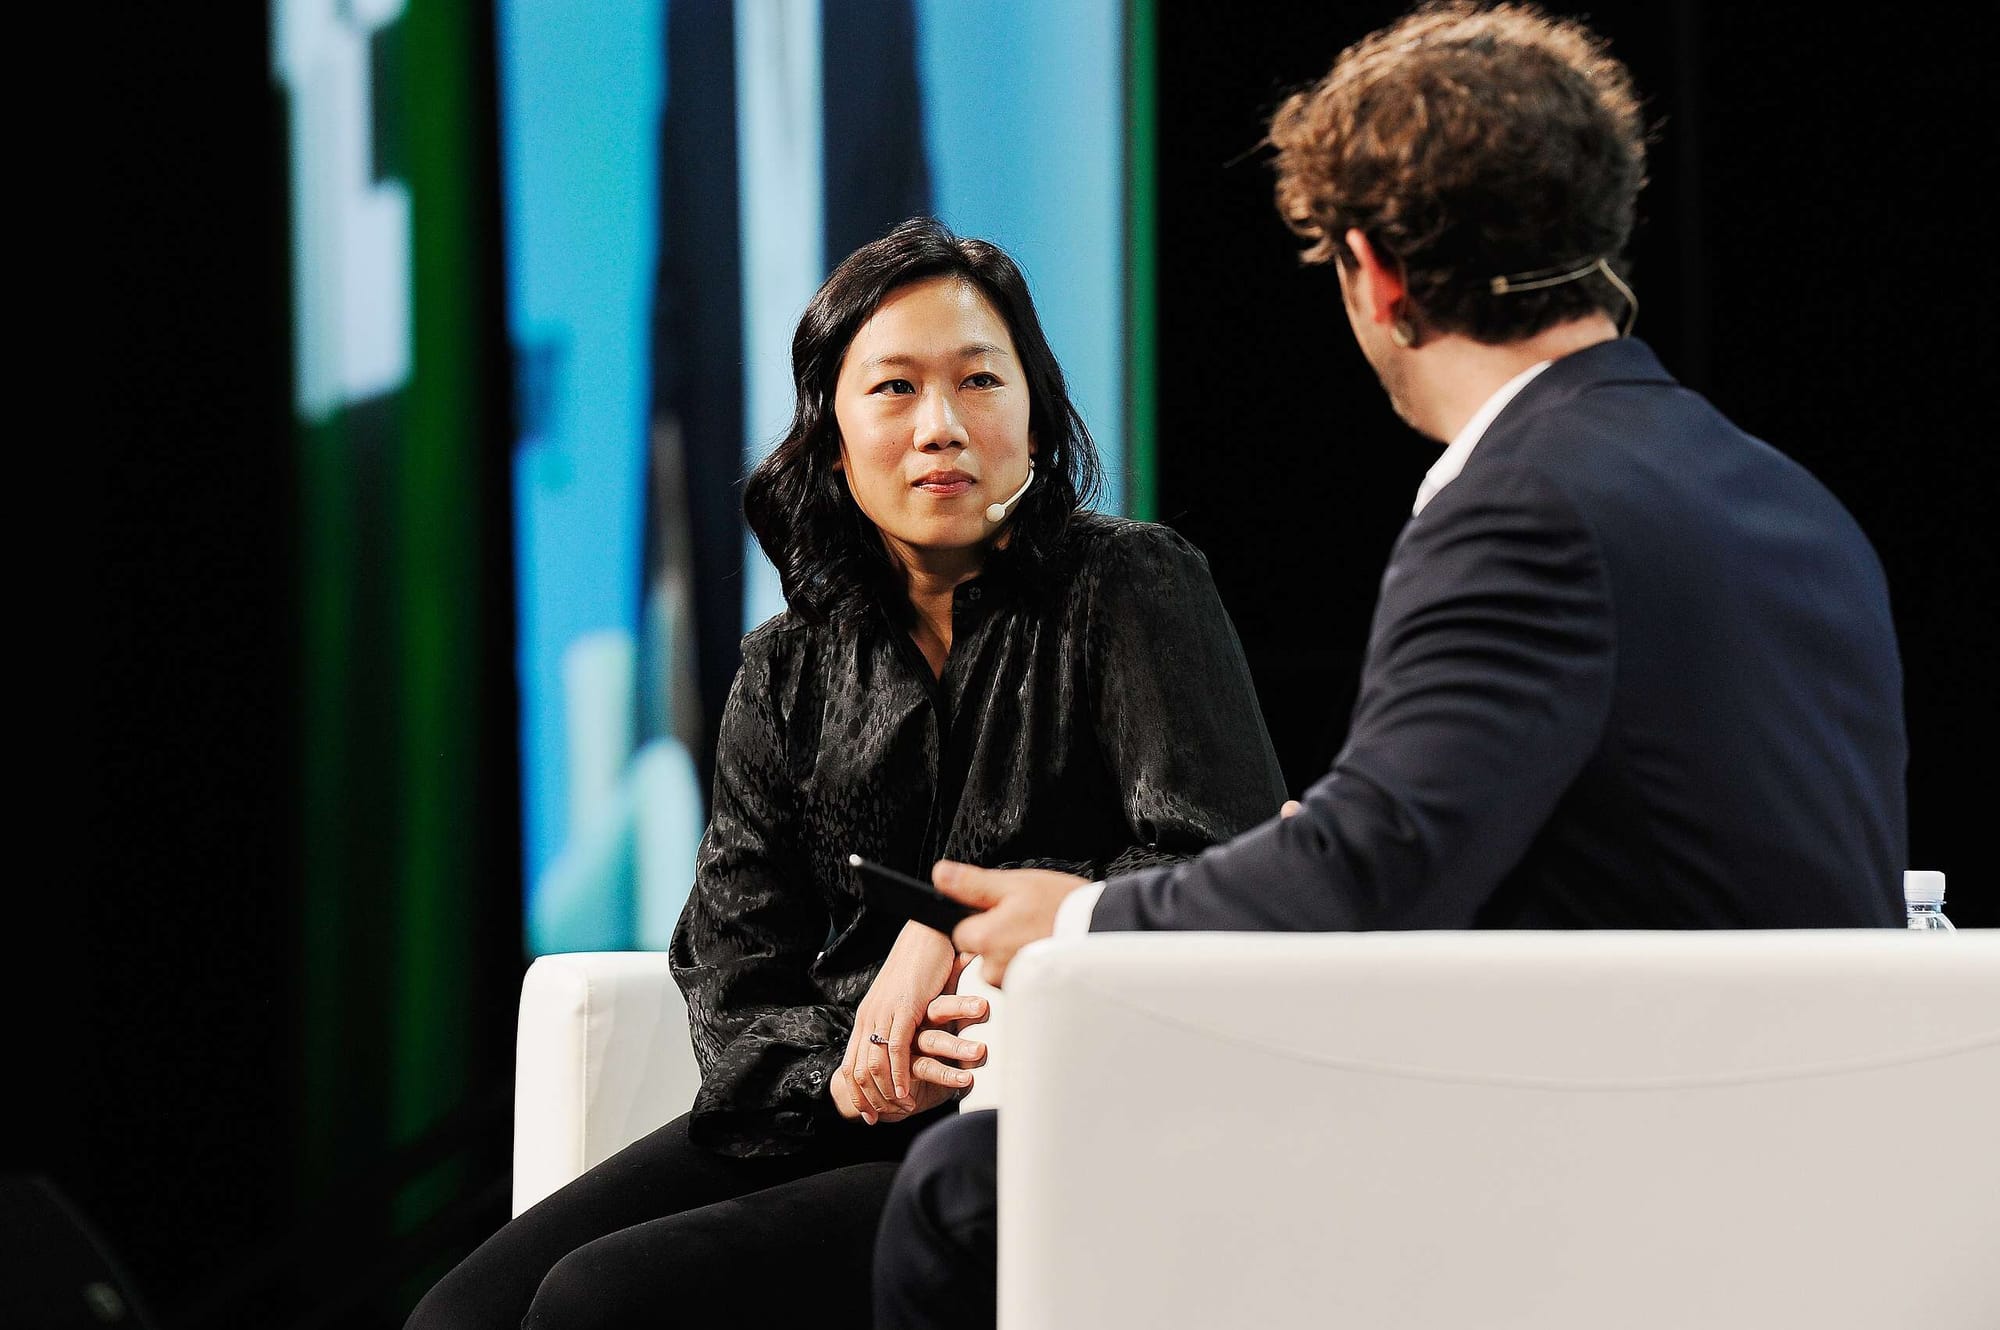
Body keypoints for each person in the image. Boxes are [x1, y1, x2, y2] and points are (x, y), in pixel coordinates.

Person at [871, 5, 1908, 1327]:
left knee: (968, 1195)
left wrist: (1070, 925)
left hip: (1614, 1162)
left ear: (1372, 273)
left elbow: (1371, 871)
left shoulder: (1524, 500)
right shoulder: (1783, 496)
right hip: (1810, 1159)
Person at [405, 217, 1285, 1329]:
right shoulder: (785, 668)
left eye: (978, 380)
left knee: (601, 1300)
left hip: (1035, 1113)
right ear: (829, 439)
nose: (941, 426)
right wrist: (850, 1067)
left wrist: (954, 933)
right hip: (823, 1110)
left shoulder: (1129, 586)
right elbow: (731, 972)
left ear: (1032, 413)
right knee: (458, 1314)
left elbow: (1224, 861)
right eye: (894, 389)